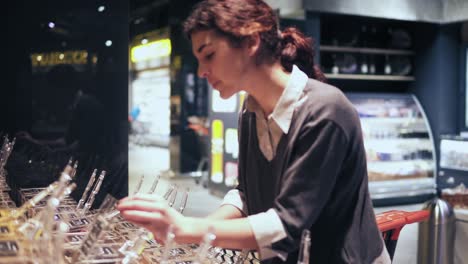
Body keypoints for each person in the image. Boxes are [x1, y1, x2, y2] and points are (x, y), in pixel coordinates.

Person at [117, 0, 391, 263]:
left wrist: (188, 228)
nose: (201, 71)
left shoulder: (325, 110)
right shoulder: (250, 113)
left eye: (209, 55)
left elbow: (287, 225)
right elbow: (246, 194)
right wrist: (194, 228)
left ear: (251, 42)